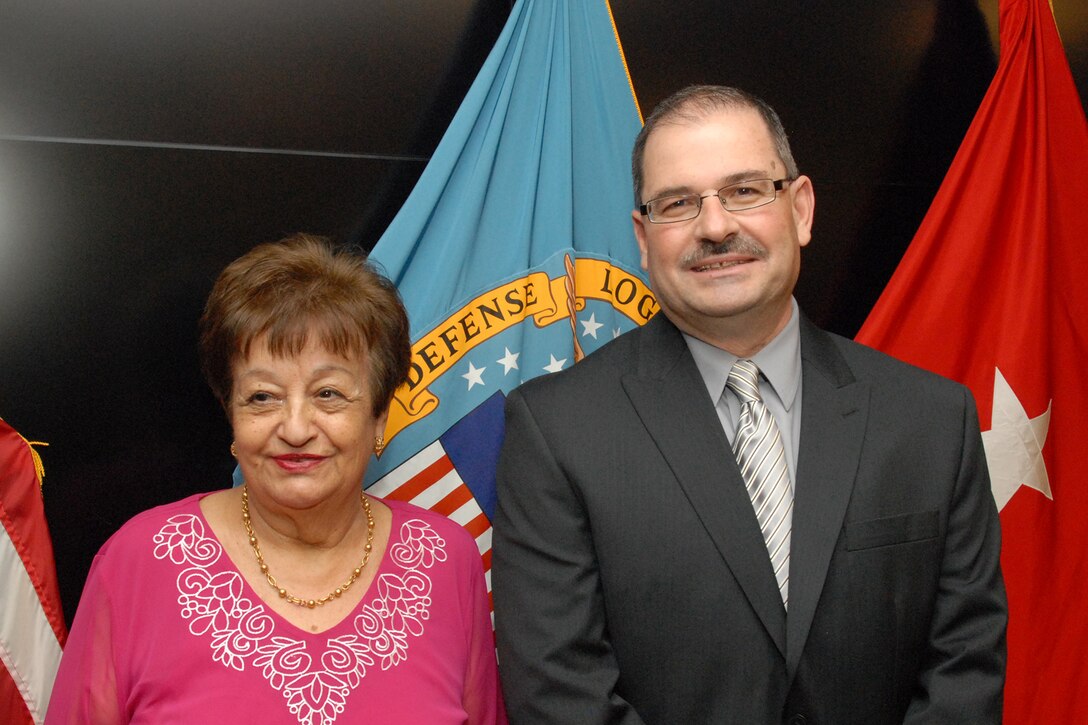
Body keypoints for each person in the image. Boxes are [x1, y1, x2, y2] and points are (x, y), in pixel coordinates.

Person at [492, 86, 1006, 724]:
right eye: (678, 203)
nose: (715, 226)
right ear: (643, 238)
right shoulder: (555, 430)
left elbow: (964, 671)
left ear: (801, 209)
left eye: (744, 191)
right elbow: (557, 693)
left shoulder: (932, 421)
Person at [47, 234, 506, 724]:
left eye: (328, 393)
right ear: (231, 415)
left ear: (378, 418)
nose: (295, 429)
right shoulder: (138, 561)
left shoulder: (447, 560)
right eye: (263, 397)